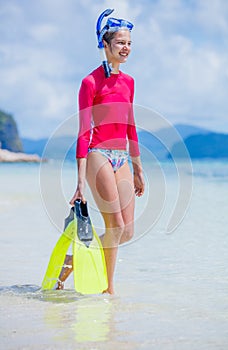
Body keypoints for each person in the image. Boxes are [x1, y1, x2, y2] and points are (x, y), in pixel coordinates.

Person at [57, 13, 145, 294]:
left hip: (122, 158)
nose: (126, 47)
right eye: (120, 42)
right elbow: (84, 131)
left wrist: (138, 168)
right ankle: (109, 290)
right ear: (104, 45)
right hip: (98, 154)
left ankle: (72, 261)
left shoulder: (129, 82)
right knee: (115, 225)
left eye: (129, 43)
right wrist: (80, 182)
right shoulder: (90, 83)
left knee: (126, 230)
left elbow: (130, 125)